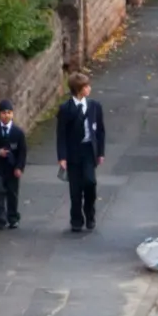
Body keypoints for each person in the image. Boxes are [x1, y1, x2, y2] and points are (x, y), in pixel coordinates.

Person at [53, 69, 106, 234]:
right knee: (75, 189)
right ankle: (76, 220)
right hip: (73, 153)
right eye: (86, 86)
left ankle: (89, 214)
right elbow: (61, 134)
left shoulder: (94, 106)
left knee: (90, 183)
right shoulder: (66, 109)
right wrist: (62, 156)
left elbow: (100, 131)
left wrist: (101, 152)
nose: (89, 88)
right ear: (78, 89)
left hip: (89, 150)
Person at [0, 94, 28, 229]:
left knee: (12, 193)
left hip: (12, 168)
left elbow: (23, 152)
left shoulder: (18, 132)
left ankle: (13, 217)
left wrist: (19, 167)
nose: (6, 115)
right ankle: (0, 216)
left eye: (8, 113)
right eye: (3, 113)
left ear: (12, 114)